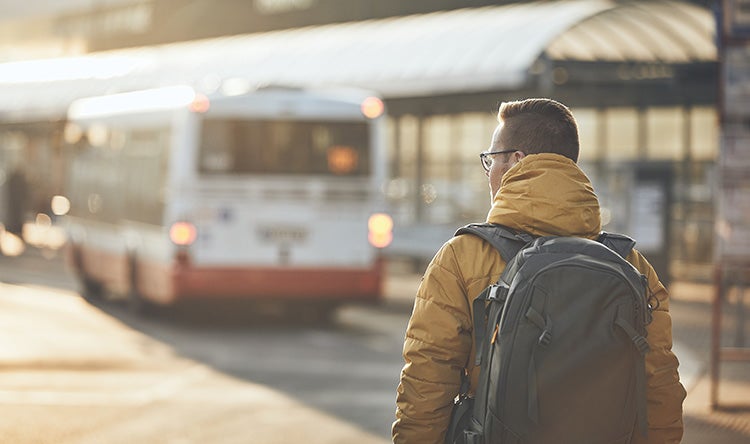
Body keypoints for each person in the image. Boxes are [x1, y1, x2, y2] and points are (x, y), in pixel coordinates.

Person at [392, 98, 686, 443]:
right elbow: (659, 388)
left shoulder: (462, 258)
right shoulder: (631, 264)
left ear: (516, 161)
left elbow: (426, 385)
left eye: (491, 160)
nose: (489, 174)